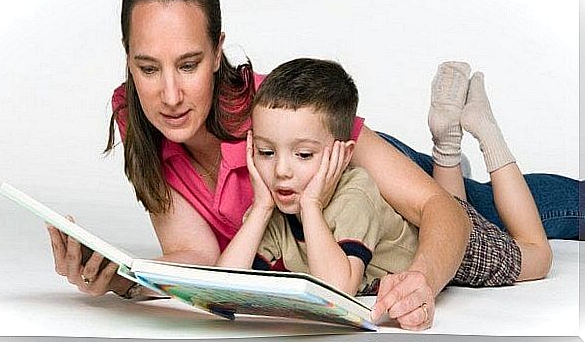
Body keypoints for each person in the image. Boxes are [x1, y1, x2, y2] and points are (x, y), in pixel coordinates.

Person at [45, 0, 581, 331]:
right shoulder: (136, 116)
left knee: (497, 219)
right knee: (460, 211)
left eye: (188, 64)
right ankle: (447, 154)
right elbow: (200, 261)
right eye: (147, 67)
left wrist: (421, 282)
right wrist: (122, 279)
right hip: (312, 235)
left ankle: (452, 154)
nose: (169, 95)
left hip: (354, 175)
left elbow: (436, 213)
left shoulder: (276, 112)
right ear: (127, 58)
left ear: (217, 52)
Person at [216, 58, 550, 303]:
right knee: (455, 203)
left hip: (445, 247)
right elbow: (220, 288)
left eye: (303, 155)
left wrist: (312, 206)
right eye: (265, 151)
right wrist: (260, 209)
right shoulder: (275, 202)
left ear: (344, 155)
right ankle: (446, 139)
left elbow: (337, 288)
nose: (281, 171)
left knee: (537, 256)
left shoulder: (354, 194)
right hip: (431, 220)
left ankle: (486, 129)